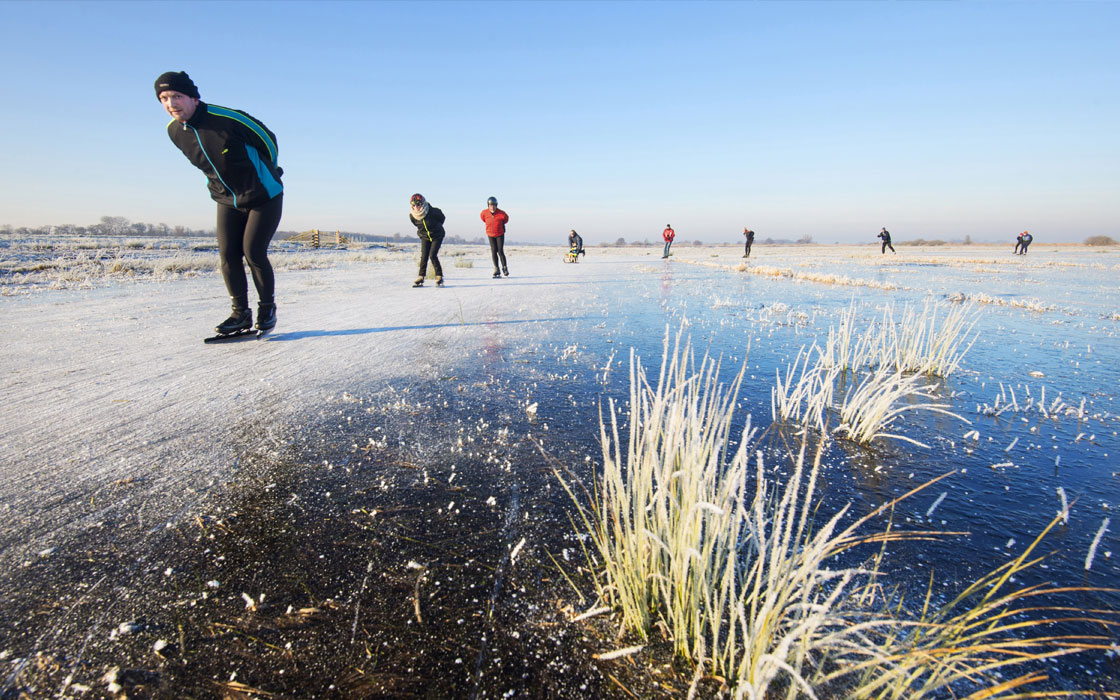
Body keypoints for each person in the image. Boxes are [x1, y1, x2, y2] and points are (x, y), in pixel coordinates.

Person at [156, 71, 283, 335]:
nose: (171, 104)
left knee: (253, 251)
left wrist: (266, 172)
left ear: (193, 97)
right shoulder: (174, 131)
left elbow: (268, 141)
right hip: (226, 198)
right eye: (164, 98)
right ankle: (240, 314)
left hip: (263, 195)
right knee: (227, 256)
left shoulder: (227, 119)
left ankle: (267, 308)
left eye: (177, 96)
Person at [409, 193, 445, 286]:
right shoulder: (412, 216)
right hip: (425, 237)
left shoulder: (433, 211)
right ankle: (421, 277)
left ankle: (439, 276)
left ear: (423, 203)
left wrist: (436, 228)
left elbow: (442, 218)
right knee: (424, 256)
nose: (416, 207)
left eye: (418, 204)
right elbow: (418, 226)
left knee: (432, 255)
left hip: (437, 235)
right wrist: (422, 235)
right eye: (414, 205)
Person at [480, 196, 509, 278]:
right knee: (493, 251)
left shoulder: (502, 213)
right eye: (490, 205)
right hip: (490, 234)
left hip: (500, 234)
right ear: (488, 206)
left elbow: (506, 220)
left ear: (496, 205)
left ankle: (505, 268)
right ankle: (496, 269)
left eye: (494, 205)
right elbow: (483, 219)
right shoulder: (484, 213)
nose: (492, 207)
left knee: (500, 251)